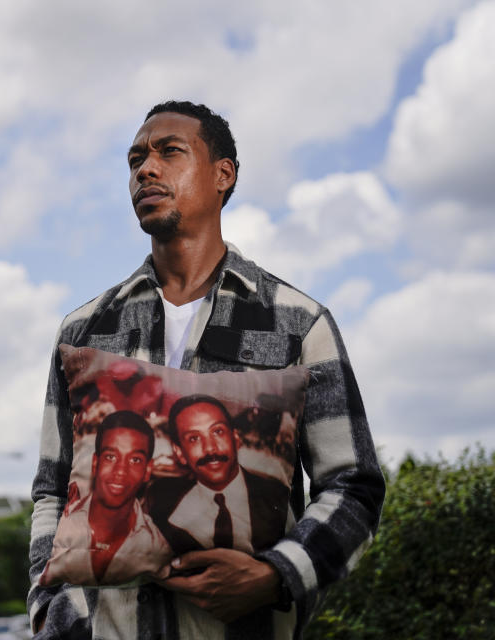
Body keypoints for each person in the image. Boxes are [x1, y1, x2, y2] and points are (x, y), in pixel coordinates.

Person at [27, 101, 385, 639]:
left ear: (224, 175)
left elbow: (353, 487)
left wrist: (276, 574)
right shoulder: (82, 332)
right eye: (135, 160)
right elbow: (53, 492)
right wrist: (54, 616)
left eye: (170, 152)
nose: (145, 169)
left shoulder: (298, 324)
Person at [144, 395, 289, 555]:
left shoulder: (278, 498)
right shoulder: (158, 500)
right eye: (194, 438)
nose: (210, 449)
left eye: (218, 431)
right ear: (180, 453)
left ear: (236, 439)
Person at [39, 410, 171, 586]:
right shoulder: (66, 523)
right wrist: (40, 599)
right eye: (111, 457)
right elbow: (47, 494)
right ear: (95, 463)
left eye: (135, 460)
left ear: (147, 470)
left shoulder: (158, 545)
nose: (121, 471)